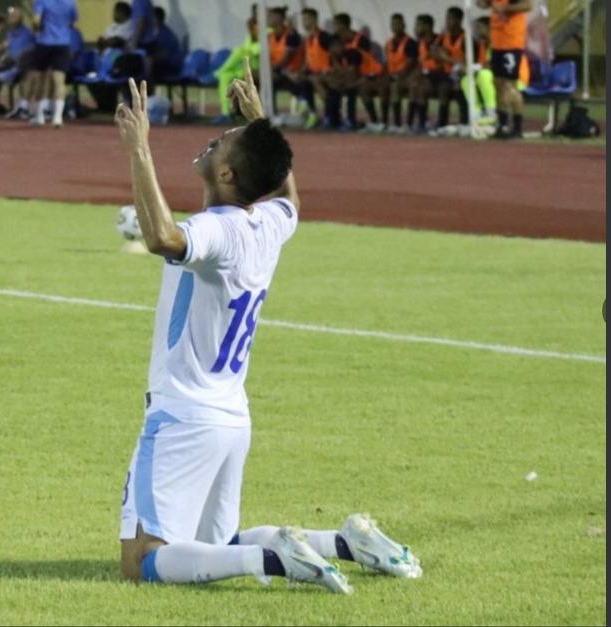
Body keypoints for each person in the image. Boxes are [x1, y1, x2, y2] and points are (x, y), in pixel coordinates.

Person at [113, 62, 422, 588]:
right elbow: (290, 200)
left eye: (221, 145)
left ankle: (274, 558)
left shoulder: (216, 230)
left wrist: (139, 149)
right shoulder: (270, 223)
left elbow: (164, 238)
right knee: (215, 545)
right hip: (232, 416)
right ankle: (346, 542)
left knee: (142, 560)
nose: (211, 144)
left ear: (229, 175)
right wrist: (259, 122)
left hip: (184, 416)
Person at [477, 0, 533, 139]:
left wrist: (505, 8)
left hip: (511, 42)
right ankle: (502, 125)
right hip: (497, 43)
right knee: (498, 84)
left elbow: (528, 5)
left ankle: (517, 127)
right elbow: (482, 4)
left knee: (510, 85)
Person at [29, 0, 79, 128]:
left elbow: (36, 21)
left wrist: (38, 29)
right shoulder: (71, 2)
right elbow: (73, 22)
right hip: (63, 43)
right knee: (59, 80)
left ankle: (39, 116)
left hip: (44, 43)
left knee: (39, 79)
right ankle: (57, 118)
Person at [0, 7, 35, 117]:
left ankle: (23, 107)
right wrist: (1, 62)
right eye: (11, 16)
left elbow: (25, 55)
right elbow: (9, 54)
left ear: (20, 19)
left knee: (18, 72)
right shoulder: (10, 34)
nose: (11, 18)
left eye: (14, 16)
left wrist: (8, 62)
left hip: (21, 67)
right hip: (10, 64)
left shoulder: (27, 34)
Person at [330, 13, 383, 131]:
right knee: (335, 84)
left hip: (371, 75)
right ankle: (336, 119)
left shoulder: (360, 42)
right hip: (354, 75)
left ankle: (369, 121)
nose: (333, 27)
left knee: (353, 87)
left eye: (335, 24)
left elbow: (362, 63)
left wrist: (350, 80)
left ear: (342, 25)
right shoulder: (337, 41)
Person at [212, 17, 260, 124]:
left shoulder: (267, 36)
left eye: (254, 27)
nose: (252, 30)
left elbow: (256, 51)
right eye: (251, 28)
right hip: (245, 67)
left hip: (257, 69)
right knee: (225, 76)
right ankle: (225, 113)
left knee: (239, 51)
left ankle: (220, 71)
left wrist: (247, 51)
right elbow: (249, 49)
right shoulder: (250, 37)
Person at [429, 6, 470, 129]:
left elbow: (465, 62)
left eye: (450, 18)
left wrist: (446, 57)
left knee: (457, 86)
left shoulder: (466, 38)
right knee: (442, 87)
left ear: (458, 20)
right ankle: (442, 124)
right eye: (446, 18)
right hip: (445, 73)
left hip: (462, 74)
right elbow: (434, 53)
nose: (447, 21)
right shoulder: (442, 37)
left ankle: (465, 122)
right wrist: (440, 54)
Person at [379, 13, 419, 132]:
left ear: (403, 25)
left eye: (397, 24)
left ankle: (402, 124)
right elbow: (386, 63)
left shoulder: (410, 43)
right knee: (382, 86)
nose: (395, 27)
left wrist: (398, 76)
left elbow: (410, 64)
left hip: (405, 77)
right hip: (392, 76)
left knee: (396, 88)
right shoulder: (388, 43)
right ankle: (384, 122)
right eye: (393, 24)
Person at [295, 8, 332, 129]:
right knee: (302, 81)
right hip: (314, 74)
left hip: (327, 74)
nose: (304, 22)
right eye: (302, 19)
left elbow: (334, 56)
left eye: (306, 19)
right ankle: (312, 114)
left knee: (314, 81)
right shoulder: (308, 39)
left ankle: (330, 115)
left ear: (315, 19)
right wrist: (301, 71)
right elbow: (310, 59)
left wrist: (327, 71)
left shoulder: (323, 36)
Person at [460, 17, 498, 126]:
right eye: (475, 28)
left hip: (509, 78)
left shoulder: (497, 43)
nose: (476, 31)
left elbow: (492, 65)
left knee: (483, 75)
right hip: (492, 76)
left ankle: (492, 113)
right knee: (466, 80)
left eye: (479, 28)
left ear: (489, 28)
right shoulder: (481, 45)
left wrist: (475, 67)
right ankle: (477, 114)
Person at [410, 14, 444, 134]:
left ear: (428, 26)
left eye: (418, 25)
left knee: (422, 87)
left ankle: (441, 124)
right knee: (415, 85)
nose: (415, 28)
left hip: (442, 76)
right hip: (427, 77)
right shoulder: (418, 44)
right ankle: (419, 123)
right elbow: (419, 63)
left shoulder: (440, 40)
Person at [266, 6, 303, 115]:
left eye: (270, 17)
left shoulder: (291, 35)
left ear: (278, 18)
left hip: (293, 72)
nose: (267, 19)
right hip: (279, 71)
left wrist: (270, 70)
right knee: (254, 78)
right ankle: (266, 113)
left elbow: (286, 60)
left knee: (269, 78)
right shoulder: (270, 36)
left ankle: (302, 104)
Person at [150, 6, 184, 83]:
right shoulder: (151, 32)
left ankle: (149, 93)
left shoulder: (168, 35)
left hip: (170, 66)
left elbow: (164, 55)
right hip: (160, 64)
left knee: (148, 69)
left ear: (157, 18)